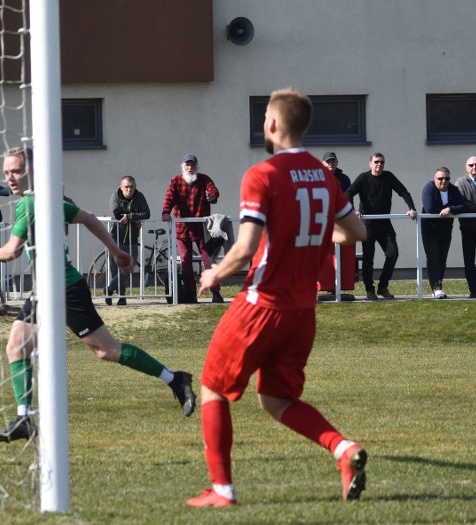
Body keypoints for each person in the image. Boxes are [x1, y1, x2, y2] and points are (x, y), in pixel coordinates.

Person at [188, 88, 369, 508]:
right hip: (303, 311)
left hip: (260, 304)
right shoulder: (325, 176)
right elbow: (356, 232)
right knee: (277, 399)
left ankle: (222, 490)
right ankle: (344, 451)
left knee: (213, 387)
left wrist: (214, 272)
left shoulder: (262, 174)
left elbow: (246, 246)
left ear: (271, 124)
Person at [0, 146, 195, 443]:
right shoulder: (48, 199)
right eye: (7, 172)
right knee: (16, 347)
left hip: (65, 289)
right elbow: (88, 218)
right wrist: (116, 251)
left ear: (33, 172)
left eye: (16, 171)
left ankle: (176, 379)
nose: (10, 177)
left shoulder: (30, 204)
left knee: (106, 350)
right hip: (46, 290)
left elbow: (11, 250)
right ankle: (24, 418)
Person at [345, 153, 417, 301]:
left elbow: (403, 192)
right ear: (370, 163)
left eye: (382, 162)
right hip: (368, 224)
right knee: (368, 258)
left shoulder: (388, 176)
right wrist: (353, 210)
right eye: (376, 162)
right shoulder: (363, 178)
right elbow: (349, 193)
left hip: (384, 223)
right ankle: (369, 290)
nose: (379, 165)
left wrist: (411, 208)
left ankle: (383, 287)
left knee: (393, 253)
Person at [161, 154, 222, 303]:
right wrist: (165, 213)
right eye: (187, 165)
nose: (190, 168)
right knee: (185, 262)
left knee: (208, 261)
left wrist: (212, 196)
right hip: (182, 229)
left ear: (196, 167)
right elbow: (169, 198)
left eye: (192, 165)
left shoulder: (204, 179)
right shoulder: (175, 181)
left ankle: (216, 293)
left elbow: (214, 192)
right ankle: (191, 294)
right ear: (183, 167)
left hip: (201, 229)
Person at [421, 167, 471, 299]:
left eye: (447, 178)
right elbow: (430, 208)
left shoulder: (453, 189)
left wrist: (450, 208)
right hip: (430, 230)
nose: (444, 181)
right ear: (434, 179)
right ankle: (436, 288)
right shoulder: (429, 189)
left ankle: (439, 287)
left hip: (446, 230)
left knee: (442, 259)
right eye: (440, 178)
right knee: (433, 258)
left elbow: (464, 205)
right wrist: (449, 209)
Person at [106, 175, 150, 306]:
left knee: (129, 266)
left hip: (132, 238)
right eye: (126, 187)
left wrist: (131, 217)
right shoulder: (115, 196)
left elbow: (147, 213)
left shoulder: (139, 196)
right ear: (121, 187)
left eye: (131, 187)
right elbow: (117, 213)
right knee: (115, 269)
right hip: (116, 237)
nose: (129, 190)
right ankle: (122, 297)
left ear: (135, 187)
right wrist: (135, 218)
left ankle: (108, 289)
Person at [318, 152, 356, 301]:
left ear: (337, 163)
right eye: (328, 162)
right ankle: (326, 286)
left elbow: (348, 197)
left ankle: (337, 288)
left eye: (333, 161)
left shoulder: (344, 179)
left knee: (341, 255)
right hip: (323, 222)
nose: (330, 164)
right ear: (323, 163)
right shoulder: (318, 177)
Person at [453, 156, 476, 298]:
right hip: (468, 226)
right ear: (466, 167)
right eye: (471, 165)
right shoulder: (460, 182)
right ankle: (473, 288)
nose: (474, 167)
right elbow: (461, 201)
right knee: (469, 259)